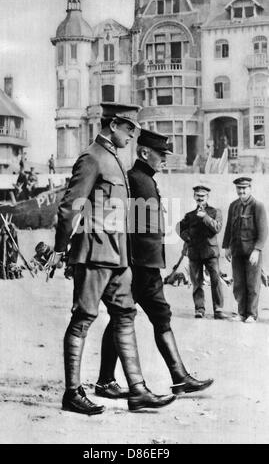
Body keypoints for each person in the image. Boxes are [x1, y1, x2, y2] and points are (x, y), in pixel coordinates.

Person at [45, 103, 176, 415]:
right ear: (114, 124)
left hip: (117, 255)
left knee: (125, 315)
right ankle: (72, 392)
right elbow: (70, 207)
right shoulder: (92, 157)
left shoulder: (114, 158)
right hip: (93, 253)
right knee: (83, 318)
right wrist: (60, 249)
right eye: (130, 129)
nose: (133, 137)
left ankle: (139, 390)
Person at [95, 129, 214, 397]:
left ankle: (110, 380)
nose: (164, 159)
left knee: (129, 318)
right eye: (161, 154)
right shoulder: (135, 179)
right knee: (142, 317)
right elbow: (125, 224)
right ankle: (176, 377)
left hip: (145, 264)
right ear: (144, 152)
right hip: (138, 266)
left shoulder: (145, 178)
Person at [177, 185, 227, 319]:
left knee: (216, 281)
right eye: (198, 196)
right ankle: (199, 309)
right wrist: (187, 237)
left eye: (203, 196)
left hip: (210, 253)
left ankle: (218, 309)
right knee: (196, 282)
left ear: (207, 197)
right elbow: (179, 228)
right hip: (195, 253)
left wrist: (205, 217)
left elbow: (217, 228)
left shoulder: (215, 212)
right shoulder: (190, 215)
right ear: (194, 197)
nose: (200, 199)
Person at [222, 177, 268, 323]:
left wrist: (257, 250)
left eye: (244, 188)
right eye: (239, 188)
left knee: (252, 284)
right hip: (237, 251)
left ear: (250, 188)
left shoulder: (258, 206)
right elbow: (229, 227)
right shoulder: (233, 206)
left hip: (251, 252)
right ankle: (241, 313)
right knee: (239, 284)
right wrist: (226, 247)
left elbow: (263, 231)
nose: (241, 191)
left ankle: (251, 314)